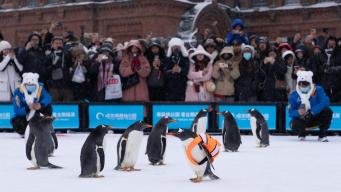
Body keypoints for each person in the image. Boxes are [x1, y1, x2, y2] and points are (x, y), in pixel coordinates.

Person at [289, 71, 333, 142]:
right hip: (302, 120)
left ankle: (322, 135)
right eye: (300, 84)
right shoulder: (294, 95)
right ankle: (301, 135)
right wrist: (298, 112)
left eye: (305, 84)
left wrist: (312, 111)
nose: (303, 86)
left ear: (310, 83)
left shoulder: (318, 90)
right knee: (295, 122)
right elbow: (290, 112)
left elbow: (325, 101)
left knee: (328, 111)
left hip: (315, 117)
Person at [11, 73, 52, 137]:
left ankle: (43, 128)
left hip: (37, 112)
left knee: (48, 108)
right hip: (25, 115)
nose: (30, 86)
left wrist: (41, 105)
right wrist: (27, 108)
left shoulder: (40, 88)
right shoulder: (18, 92)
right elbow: (16, 110)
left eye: (32, 85)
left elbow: (48, 98)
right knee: (15, 121)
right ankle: (24, 132)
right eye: (28, 85)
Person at [46, 36, 73, 101]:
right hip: (53, 86)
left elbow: (71, 64)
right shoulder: (49, 56)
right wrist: (53, 66)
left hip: (66, 86)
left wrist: (65, 52)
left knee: (68, 107)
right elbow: (45, 70)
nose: (58, 45)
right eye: (56, 43)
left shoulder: (67, 54)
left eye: (60, 43)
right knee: (53, 106)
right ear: (52, 45)